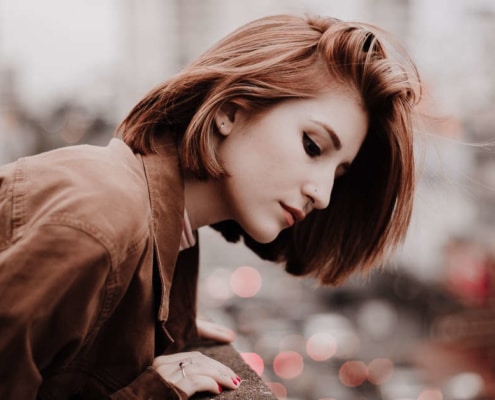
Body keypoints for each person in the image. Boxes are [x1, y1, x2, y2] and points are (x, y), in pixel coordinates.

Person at [0, 13, 421, 400]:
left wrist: (148, 327)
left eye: (339, 174)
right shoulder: (101, 222)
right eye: (313, 146)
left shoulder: (164, 239)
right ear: (229, 111)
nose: (323, 195)